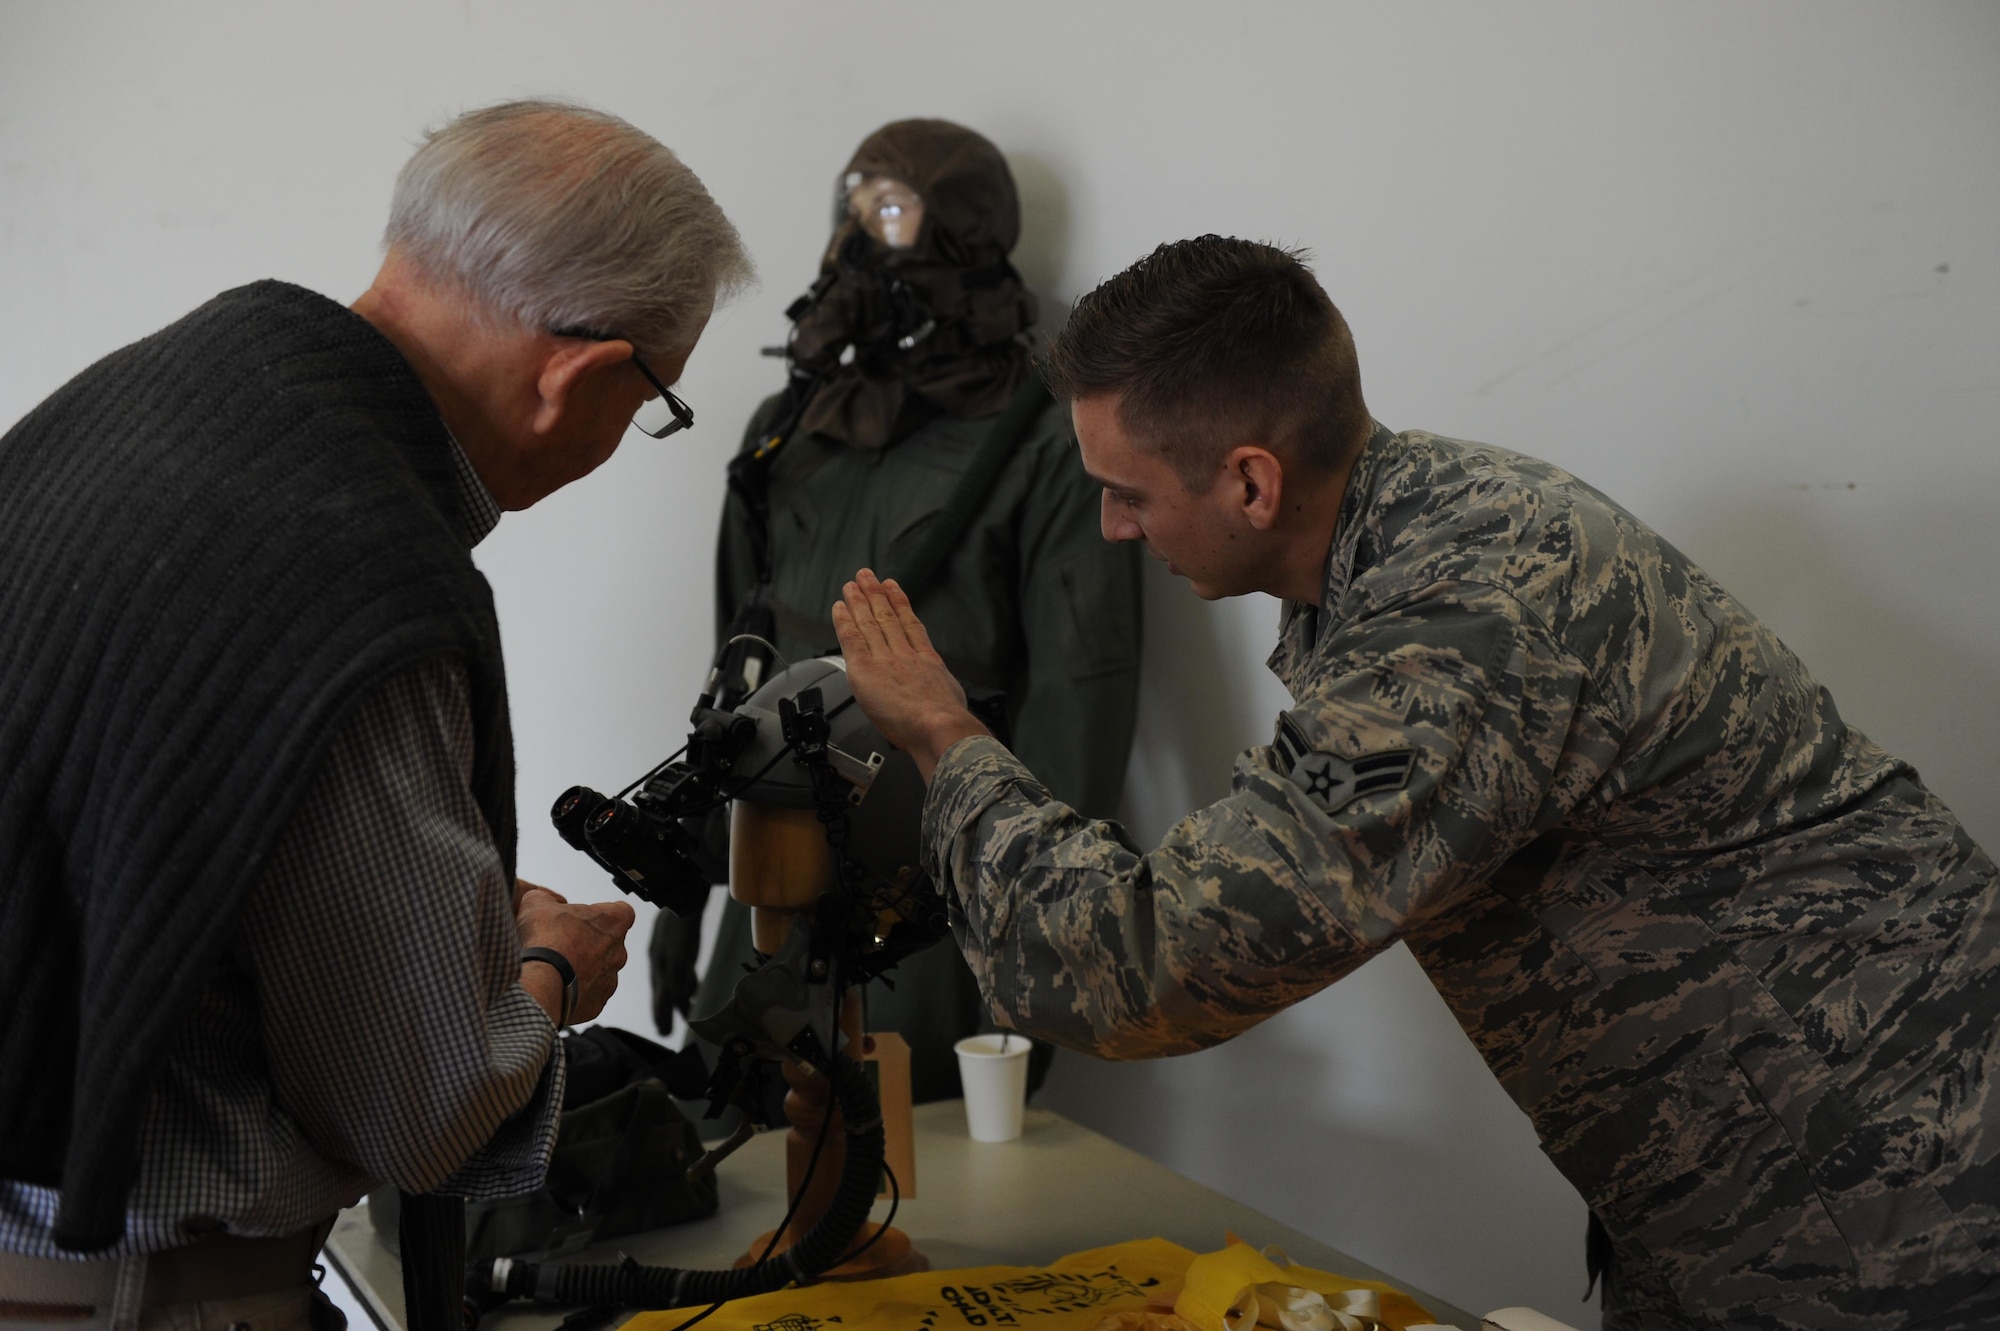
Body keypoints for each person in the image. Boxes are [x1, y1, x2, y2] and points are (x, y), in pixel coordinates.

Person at [828, 236, 2000, 1330]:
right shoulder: (1415, 534)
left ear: (1249, 482)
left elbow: (1151, 961)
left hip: (1886, 1201)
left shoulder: (1460, 620)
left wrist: (944, 741)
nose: (1111, 525)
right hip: (1767, 1175)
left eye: (1127, 490)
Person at [0, 100, 749, 1331]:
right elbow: (418, 1109)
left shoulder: (139, 399)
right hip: (134, 1295)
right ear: (587, 375)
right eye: (653, 402)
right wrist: (549, 967)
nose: (631, 429)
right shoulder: (356, 577)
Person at [651, 119, 1141, 1104]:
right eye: (855, 209)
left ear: (966, 229)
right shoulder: (785, 427)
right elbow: (733, 667)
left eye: (894, 211)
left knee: (903, 1154)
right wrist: (681, 875)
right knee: (728, 1134)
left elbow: (1078, 703)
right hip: (769, 849)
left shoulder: (1048, 443)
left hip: (934, 872)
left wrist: (1037, 945)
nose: (865, 241)